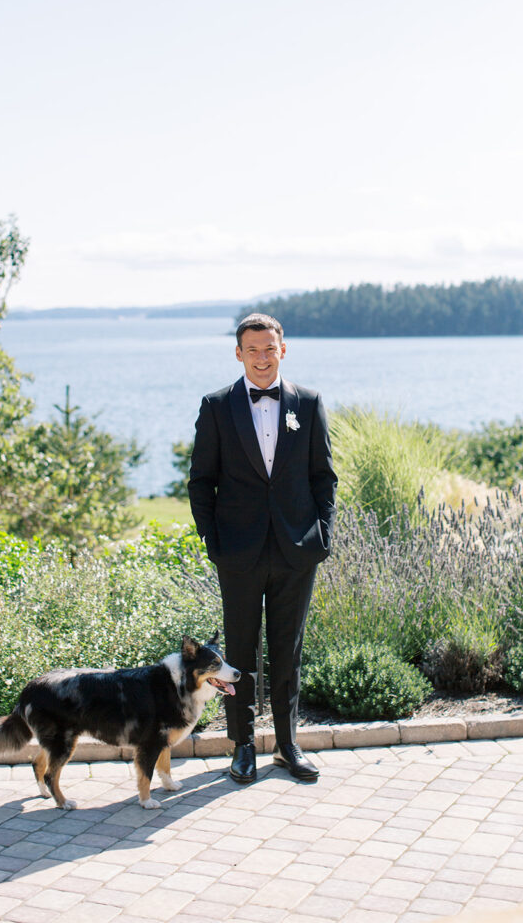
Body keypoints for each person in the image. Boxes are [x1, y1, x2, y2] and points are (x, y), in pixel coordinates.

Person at [188, 312, 337, 784]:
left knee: (288, 651)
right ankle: (243, 746)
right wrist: (213, 541)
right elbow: (201, 482)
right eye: (252, 349)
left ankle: (288, 745)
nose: (261, 357)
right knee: (239, 653)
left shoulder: (308, 403)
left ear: (283, 349)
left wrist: (322, 536)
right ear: (238, 353)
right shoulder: (216, 406)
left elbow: (323, 477)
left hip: (297, 549)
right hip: (238, 553)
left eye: (269, 348)